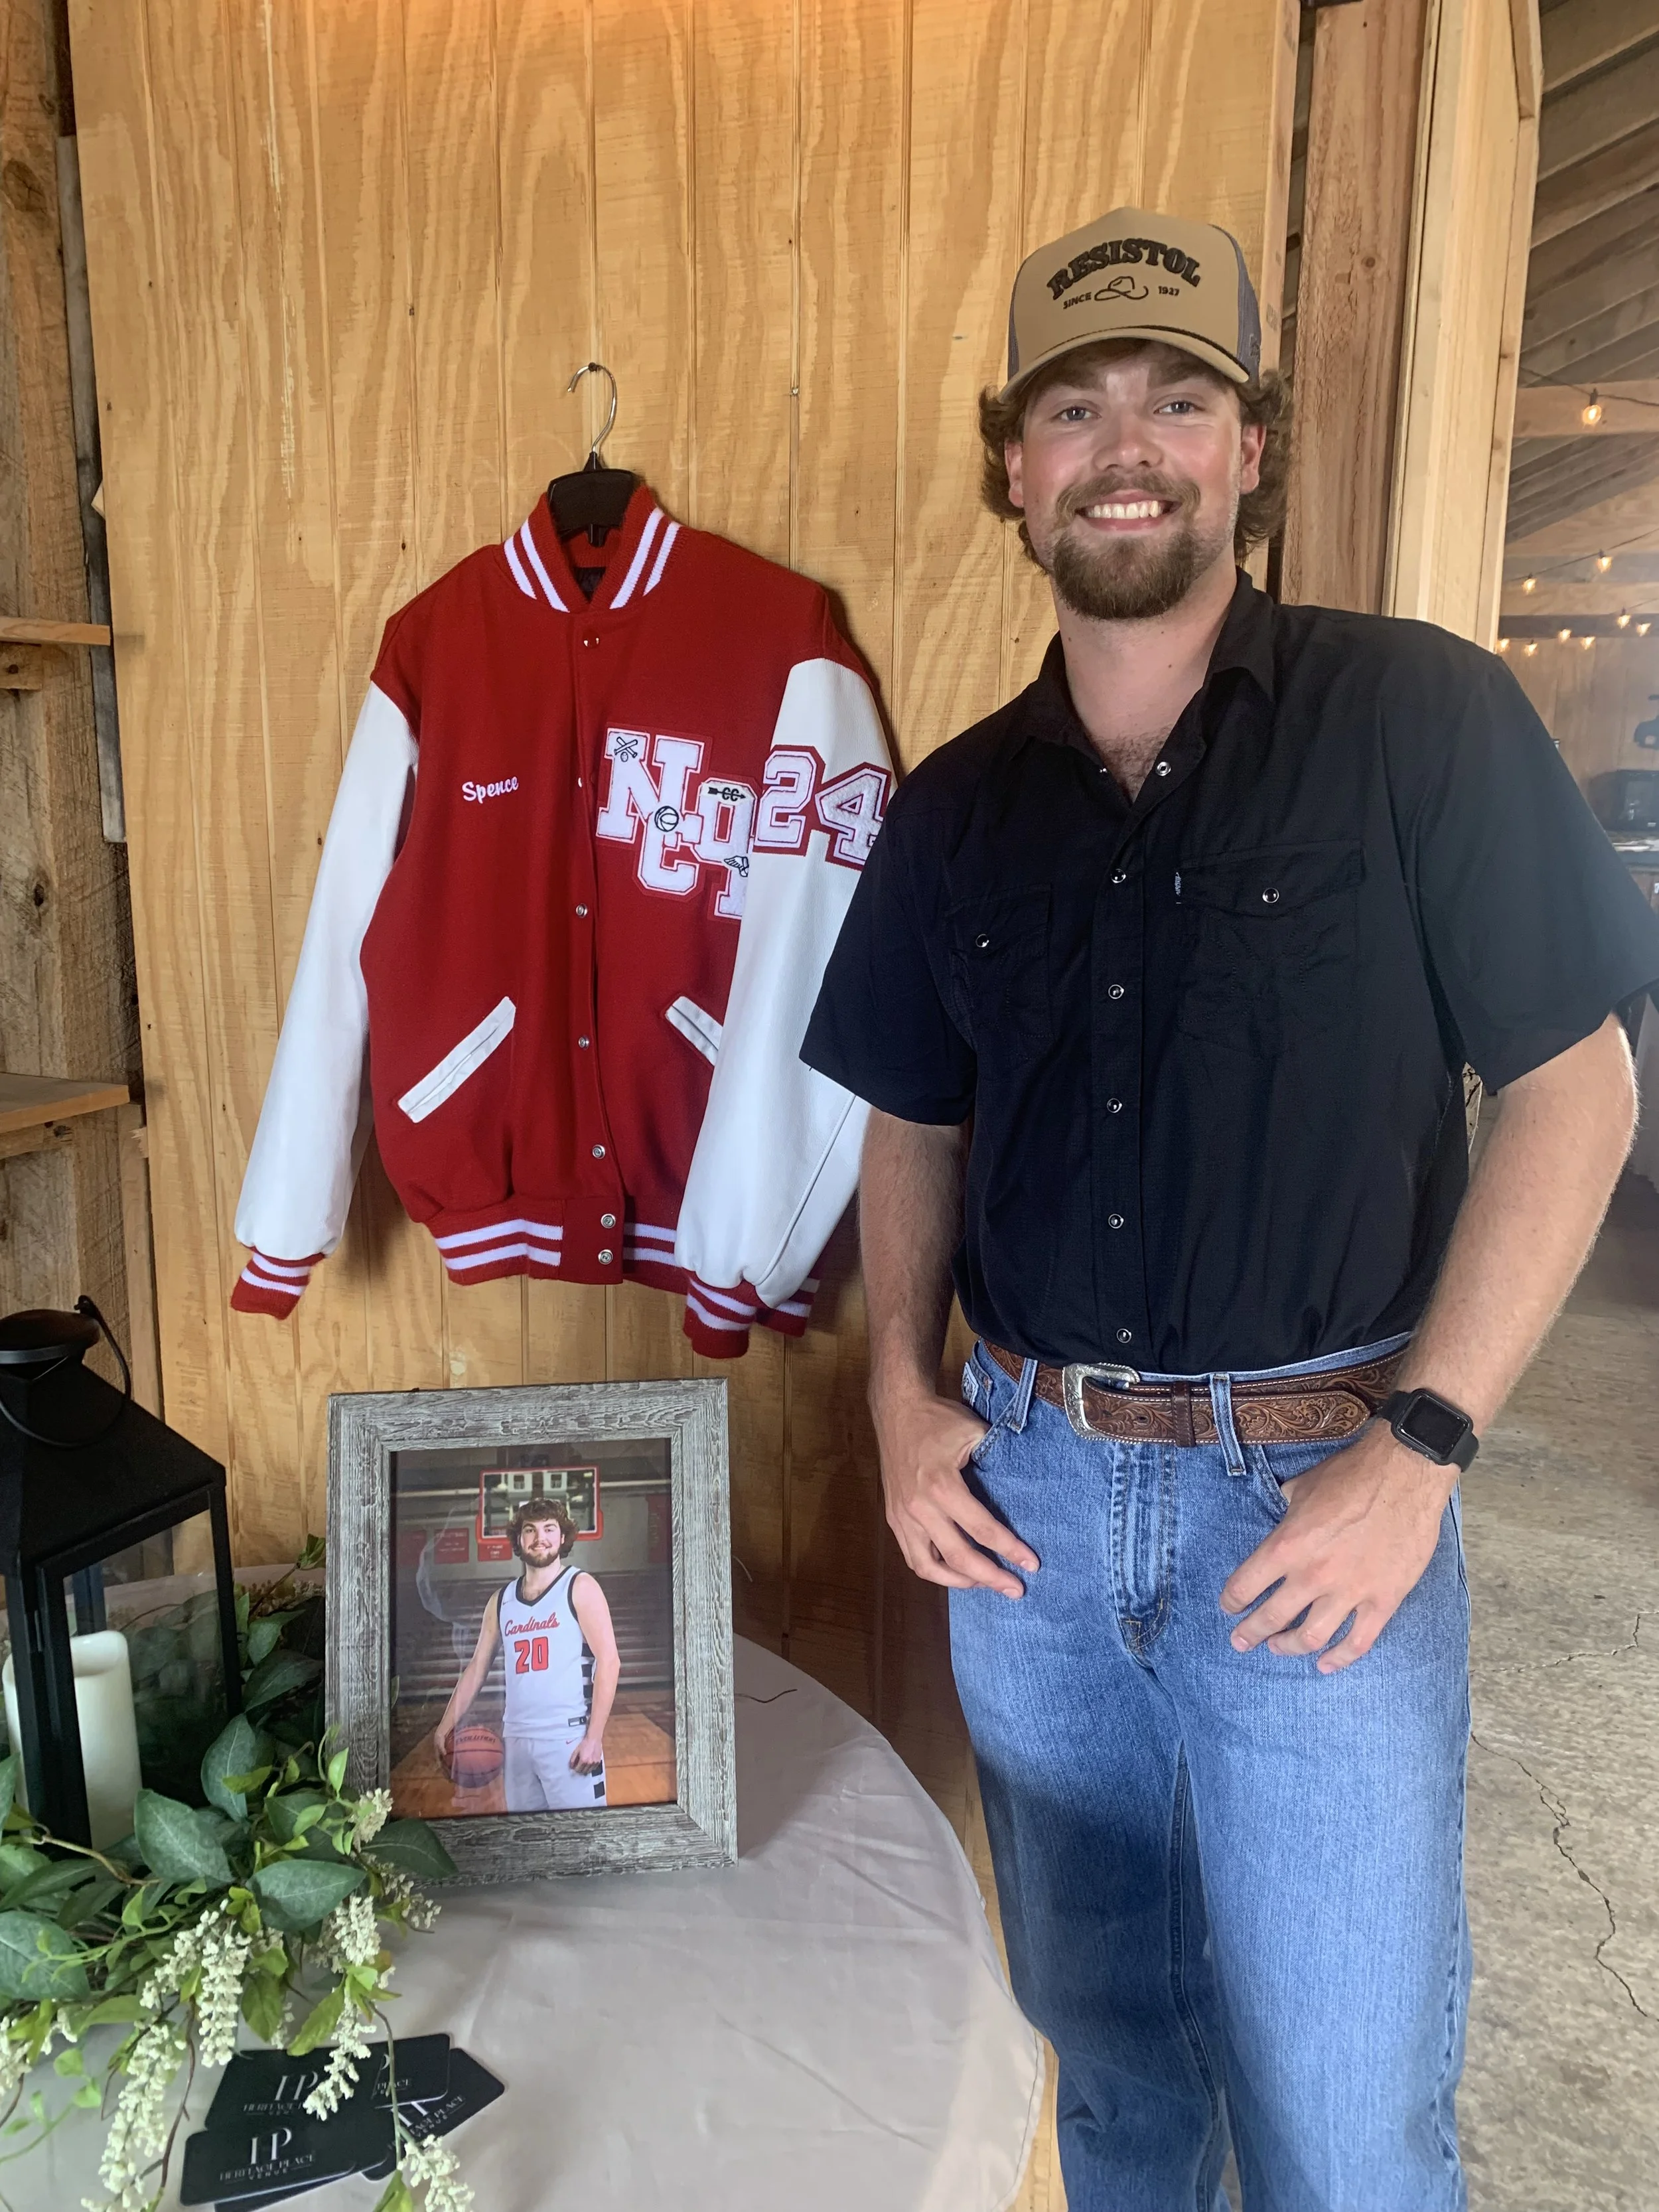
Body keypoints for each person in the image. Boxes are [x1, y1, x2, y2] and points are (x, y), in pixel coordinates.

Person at [802, 204, 1659, 2211]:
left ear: (1244, 447)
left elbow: (1572, 1085)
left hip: (1319, 1504)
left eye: (1176, 398)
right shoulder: (951, 806)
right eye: (1072, 404)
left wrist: (1424, 1445)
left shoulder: (1416, 722)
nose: (1126, 443)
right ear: (1010, 464)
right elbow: (911, 1123)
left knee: (1344, 2124)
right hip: (1020, 1510)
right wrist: (897, 1395)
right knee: (1106, 2078)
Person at [435, 1500, 618, 1810]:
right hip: (516, 1740)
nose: (540, 1537)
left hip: (567, 1738)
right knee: (526, 1843)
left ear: (563, 1538)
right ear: (519, 1540)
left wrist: (594, 1738)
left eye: (549, 1529)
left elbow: (609, 1661)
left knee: (581, 1843)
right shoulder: (501, 1600)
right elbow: (477, 1667)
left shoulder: (580, 1586)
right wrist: (445, 1725)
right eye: (530, 1530)